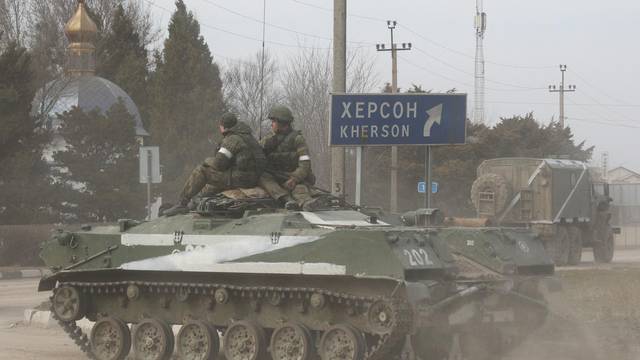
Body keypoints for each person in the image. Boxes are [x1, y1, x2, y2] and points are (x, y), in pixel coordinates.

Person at [163, 112, 266, 216]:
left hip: (242, 179)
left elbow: (219, 164)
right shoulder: (248, 137)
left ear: (222, 126)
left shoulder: (232, 139)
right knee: (211, 185)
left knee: (202, 171)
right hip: (253, 177)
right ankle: (194, 204)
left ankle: (182, 204)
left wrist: (207, 161)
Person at [259, 105, 319, 211]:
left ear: (281, 123)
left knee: (300, 189)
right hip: (275, 177)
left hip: (293, 176)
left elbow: (305, 164)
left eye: (273, 121)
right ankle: (286, 199)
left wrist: (295, 178)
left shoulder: (297, 139)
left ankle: (305, 202)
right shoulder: (268, 139)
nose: (271, 124)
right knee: (263, 177)